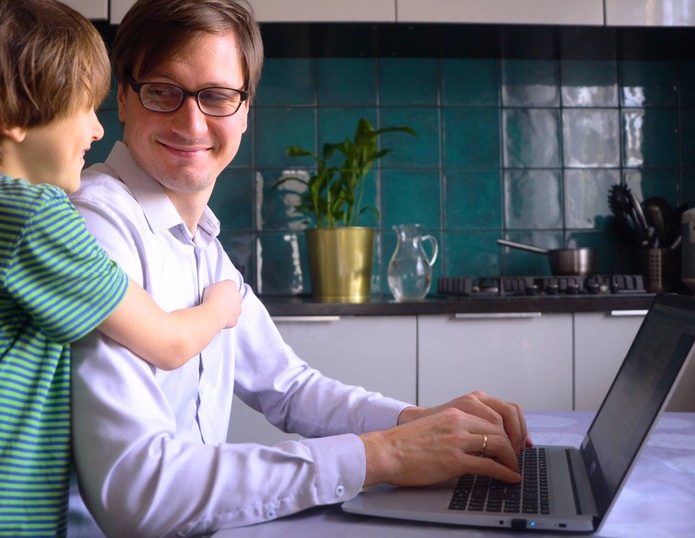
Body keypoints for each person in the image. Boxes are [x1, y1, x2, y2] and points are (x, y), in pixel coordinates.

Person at [70, 0, 531, 535]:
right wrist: (379, 456)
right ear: (123, 98)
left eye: (217, 96)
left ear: (245, 111)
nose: (192, 121)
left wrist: (418, 422)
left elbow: (288, 386)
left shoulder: (203, 246)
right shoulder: (95, 224)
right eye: (162, 91)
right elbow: (138, 492)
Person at [0, 0, 243, 535]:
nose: (97, 131)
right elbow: (166, 342)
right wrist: (220, 307)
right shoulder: (32, 217)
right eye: (83, 107)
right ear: (11, 116)